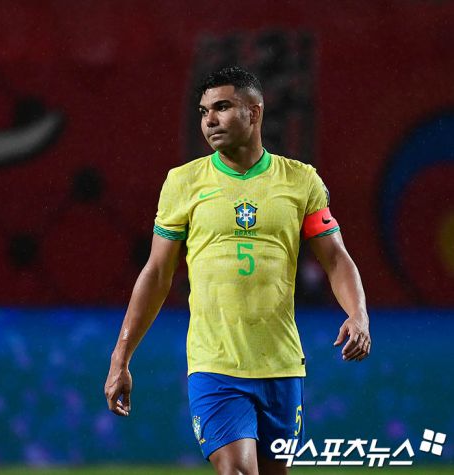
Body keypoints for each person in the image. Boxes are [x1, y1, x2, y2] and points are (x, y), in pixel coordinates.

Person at [103, 66, 371, 475]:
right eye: (203, 111)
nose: (209, 120)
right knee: (238, 471)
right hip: (215, 365)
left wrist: (358, 314)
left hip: (281, 364)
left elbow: (335, 258)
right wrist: (121, 357)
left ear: (254, 112)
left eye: (222, 107)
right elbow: (157, 274)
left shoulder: (301, 181)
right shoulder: (183, 182)